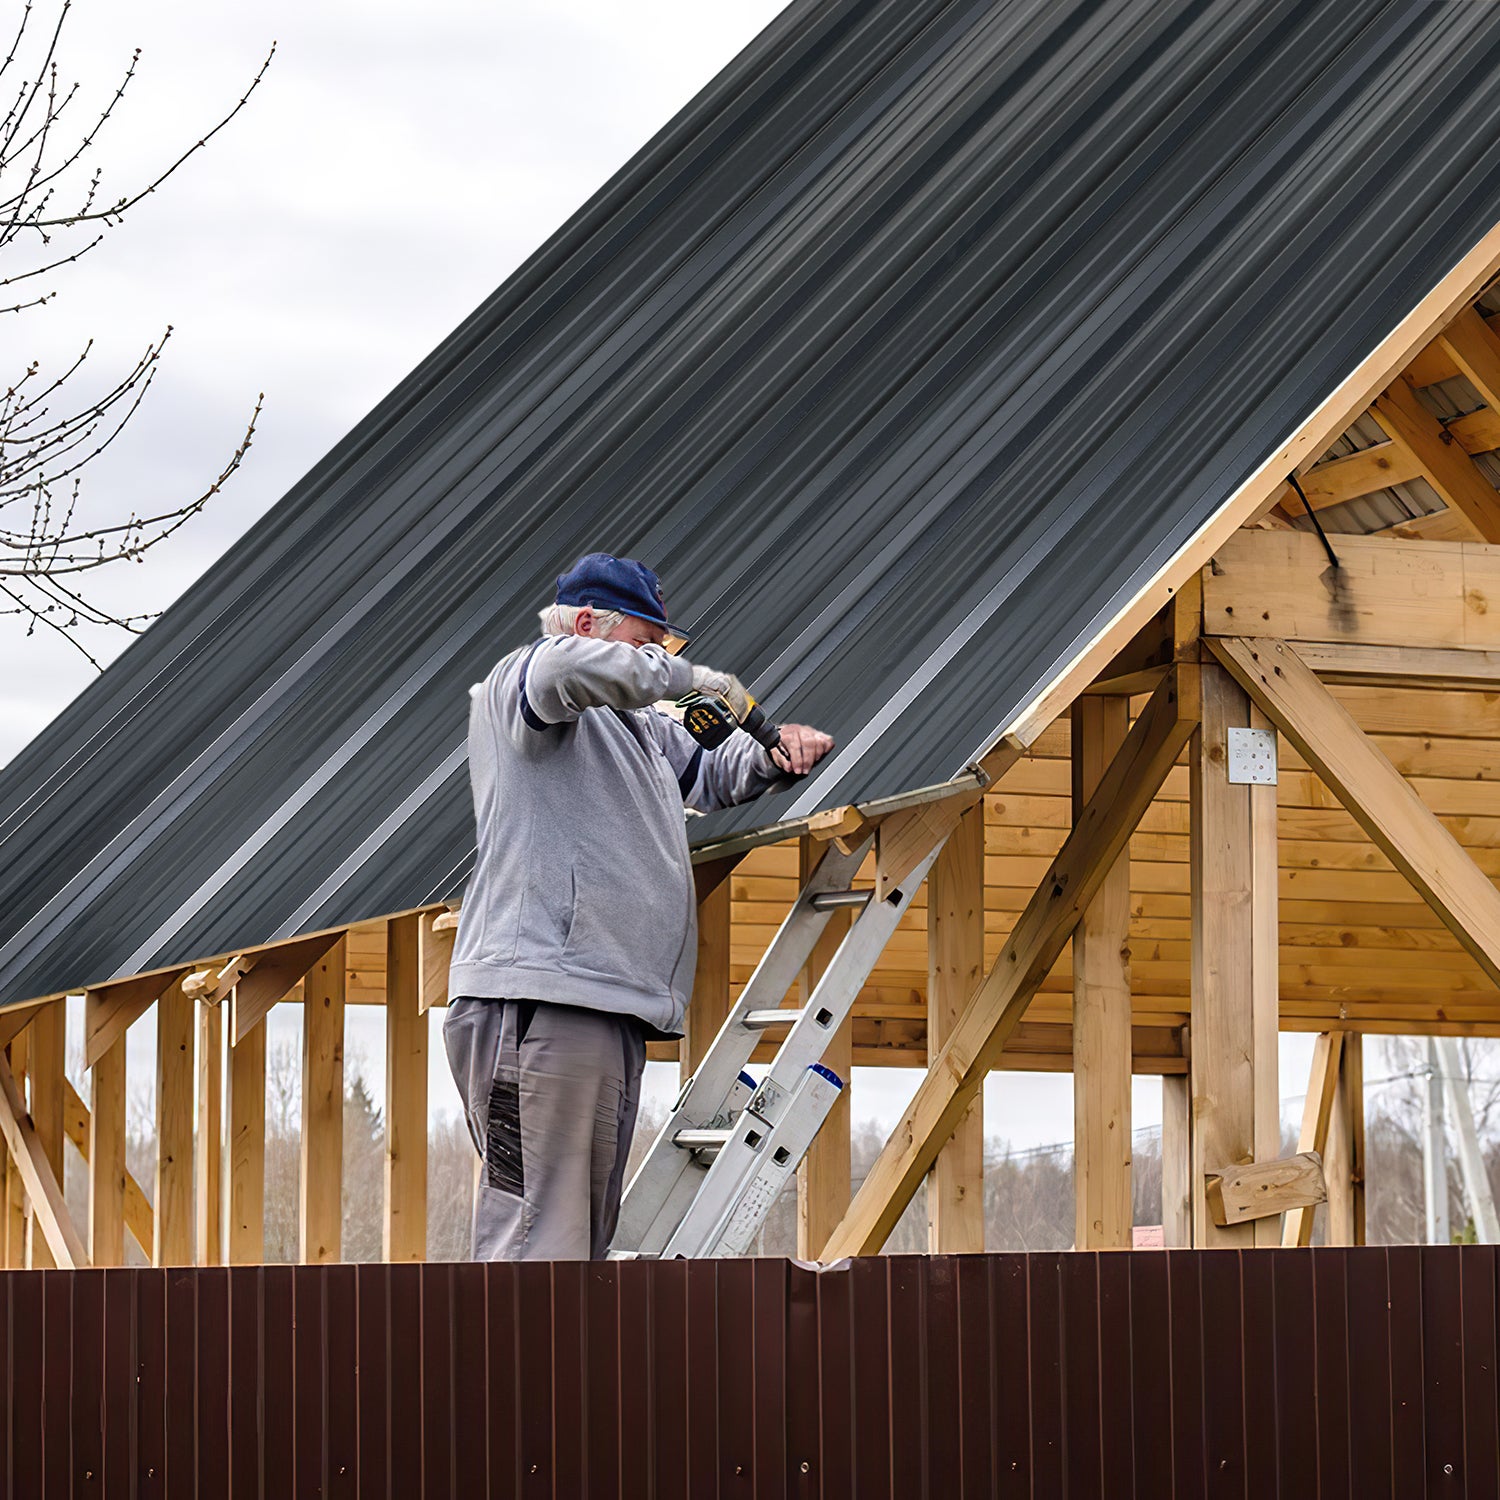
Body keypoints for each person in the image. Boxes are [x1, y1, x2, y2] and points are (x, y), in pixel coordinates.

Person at [443, 552, 833, 1260]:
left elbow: (711, 775)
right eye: (646, 644)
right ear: (585, 625)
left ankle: (554, 1342)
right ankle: (516, 1343)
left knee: (576, 1244)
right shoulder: (526, 683)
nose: (659, 661)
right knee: (539, 1238)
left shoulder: (642, 729)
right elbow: (563, 670)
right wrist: (700, 680)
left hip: (605, 1005)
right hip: (545, 1002)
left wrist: (774, 756)